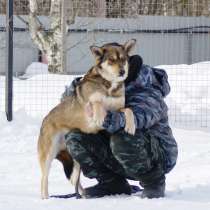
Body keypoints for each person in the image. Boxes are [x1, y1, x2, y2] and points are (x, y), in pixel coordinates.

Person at [62, 55, 178, 199]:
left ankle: (154, 182)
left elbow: (135, 120)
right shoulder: (106, 86)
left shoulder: (147, 90)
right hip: (119, 151)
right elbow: (66, 105)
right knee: (75, 136)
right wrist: (80, 87)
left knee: (123, 136)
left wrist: (102, 115)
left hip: (157, 156)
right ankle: (112, 183)